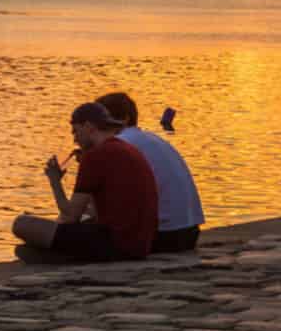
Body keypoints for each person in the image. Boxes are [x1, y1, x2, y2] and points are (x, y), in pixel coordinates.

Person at [11, 100, 158, 262]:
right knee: (80, 221)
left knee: (21, 224)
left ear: (88, 127)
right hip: (139, 246)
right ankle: (56, 254)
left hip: (115, 245)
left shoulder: (95, 155)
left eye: (75, 132)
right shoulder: (128, 149)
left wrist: (54, 181)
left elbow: (70, 217)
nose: (74, 140)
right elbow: (97, 210)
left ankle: (57, 255)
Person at [97, 91, 205, 252]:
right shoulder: (151, 138)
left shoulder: (120, 144)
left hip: (164, 236)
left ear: (124, 118)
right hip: (189, 232)